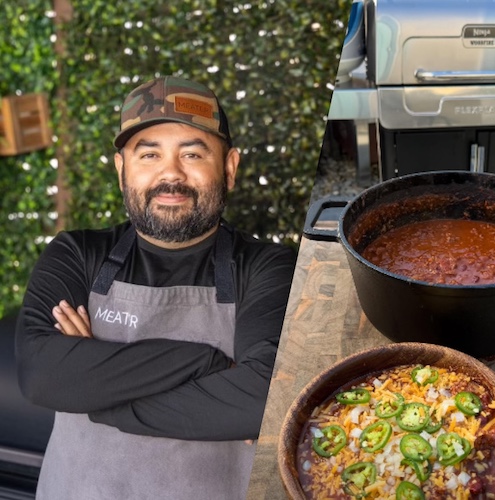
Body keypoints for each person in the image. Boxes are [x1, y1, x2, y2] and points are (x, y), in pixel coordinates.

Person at [14, 75, 297, 500]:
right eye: (149, 154)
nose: (171, 174)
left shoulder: (267, 267)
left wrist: (93, 393)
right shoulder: (77, 254)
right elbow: (41, 375)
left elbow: (263, 401)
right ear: (121, 168)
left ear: (230, 167)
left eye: (193, 153)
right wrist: (208, 363)